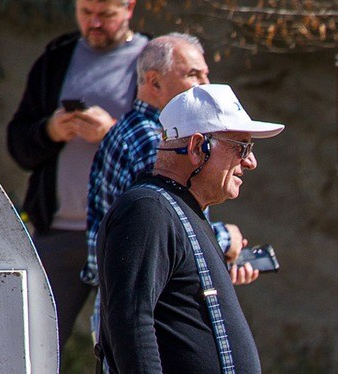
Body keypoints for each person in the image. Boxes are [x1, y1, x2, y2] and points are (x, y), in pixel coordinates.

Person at [97, 83, 282, 374]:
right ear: (199, 147)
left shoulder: (178, 210)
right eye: (241, 147)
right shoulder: (147, 209)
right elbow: (128, 317)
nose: (251, 162)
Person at [6, 0, 148, 351]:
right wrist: (50, 130)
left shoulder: (154, 61)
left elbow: (166, 150)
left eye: (106, 15)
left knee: (127, 345)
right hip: (56, 231)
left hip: (124, 233)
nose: (94, 23)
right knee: (32, 345)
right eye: (86, 13)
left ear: (129, 8)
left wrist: (112, 133)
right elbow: (18, 145)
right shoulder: (56, 57)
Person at [84, 34, 256, 294]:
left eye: (205, 75)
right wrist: (225, 239)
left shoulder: (130, 128)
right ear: (154, 81)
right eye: (193, 75)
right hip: (151, 308)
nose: (205, 85)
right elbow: (166, 234)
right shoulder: (155, 142)